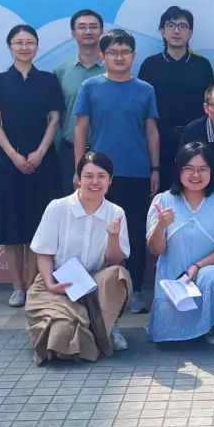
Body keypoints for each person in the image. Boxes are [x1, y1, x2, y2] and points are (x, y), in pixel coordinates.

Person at [74, 29, 160, 315]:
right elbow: (81, 129)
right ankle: (100, 290)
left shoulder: (145, 89)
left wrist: (155, 168)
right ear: (103, 56)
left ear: (133, 56)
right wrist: (80, 170)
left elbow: (151, 131)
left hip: (137, 172)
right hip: (99, 176)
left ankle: (134, 291)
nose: (119, 57)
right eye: (113, 52)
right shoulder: (90, 86)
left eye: (125, 52)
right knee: (98, 231)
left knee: (134, 233)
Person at [25, 151, 132, 364]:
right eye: (88, 176)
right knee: (63, 334)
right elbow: (44, 252)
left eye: (101, 176)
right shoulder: (58, 208)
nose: (95, 182)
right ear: (78, 179)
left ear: (110, 180)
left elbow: (114, 260)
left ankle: (108, 327)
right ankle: (76, 326)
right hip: (58, 283)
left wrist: (113, 236)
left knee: (119, 274)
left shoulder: (116, 212)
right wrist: (50, 284)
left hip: (94, 284)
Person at [0, 24, 65, 308]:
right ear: (10, 47)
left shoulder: (48, 80)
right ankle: (17, 287)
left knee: (38, 226)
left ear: (36, 46)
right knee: (11, 227)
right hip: (9, 162)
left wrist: (40, 152)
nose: (24, 47)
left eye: (30, 42)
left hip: (43, 161)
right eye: (18, 42)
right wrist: (13, 155)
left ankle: (33, 286)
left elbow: (54, 119)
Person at [146, 142, 214, 345]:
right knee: (170, 335)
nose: (195, 175)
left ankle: (213, 326)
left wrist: (198, 266)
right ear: (178, 170)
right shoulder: (163, 201)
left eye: (202, 169)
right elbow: (156, 250)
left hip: (209, 270)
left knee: (212, 275)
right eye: (188, 168)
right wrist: (160, 226)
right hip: (175, 278)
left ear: (211, 171)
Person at [138, 6, 214, 187]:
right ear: (162, 31)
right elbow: (142, 110)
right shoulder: (150, 65)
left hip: (196, 139)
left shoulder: (202, 65)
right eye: (171, 25)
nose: (176, 31)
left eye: (182, 26)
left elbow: (211, 106)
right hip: (159, 141)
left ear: (190, 33)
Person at [53, 9, 104, 194]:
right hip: (69, 152)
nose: (88, 31)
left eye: (93, 27)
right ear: (73, 33)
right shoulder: (60, 71)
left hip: (104, 150)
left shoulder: (114, 70)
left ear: (102, 32)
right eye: (82, 27)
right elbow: (55, 116)